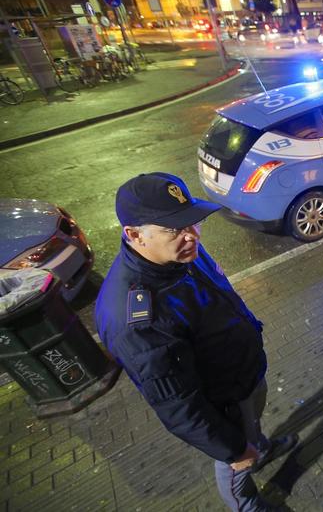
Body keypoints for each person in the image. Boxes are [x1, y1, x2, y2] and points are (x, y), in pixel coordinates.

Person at [95, 173, 297, 512]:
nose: (192, 235)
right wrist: (232, 449)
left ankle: (259, 447)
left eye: (192, 222)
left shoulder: (180, 253)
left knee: (253, 428)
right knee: (235, 464)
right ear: (134, 235)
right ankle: (246, 504)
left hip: (243, 376)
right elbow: (179, 406)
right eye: (174, 229)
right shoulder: (134, 319)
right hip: (223, 405)